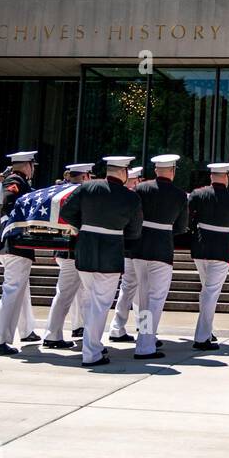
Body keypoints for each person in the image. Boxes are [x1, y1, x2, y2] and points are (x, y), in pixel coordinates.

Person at [57, 156, 143, 365]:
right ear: (123, 173)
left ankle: (92, 345)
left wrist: (85, 225)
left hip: (85, 250)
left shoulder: (87, 188)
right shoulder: (130, 197)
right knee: (100, 304)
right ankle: (91, 352)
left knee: (90, 301)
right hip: (110, 253)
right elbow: (134, 231)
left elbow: (66, 212)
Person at [128, 154, 189, 358]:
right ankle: (146, 344)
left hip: (139, 247)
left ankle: (145, 338)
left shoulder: (140, 189)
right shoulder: (180, 195)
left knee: (144, 298)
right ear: (172, 171)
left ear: (156, 170)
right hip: (162, 248)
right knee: (156, 298)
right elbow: (181, 227)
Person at [187, 162, 229, 351]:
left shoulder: (198, 194)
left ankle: (207, 330)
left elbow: (189, 219)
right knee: (210, 293)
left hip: (200, 247)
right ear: (226, 177)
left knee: (206, 290)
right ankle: (202, 337)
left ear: (211, 176)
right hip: (220, 249)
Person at [0, 151, 39, 355]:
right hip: (15, 244)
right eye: (32, 165)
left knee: (22, 289)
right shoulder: (15, 180)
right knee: (12, 291)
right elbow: (10, 200)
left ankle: (26, 330)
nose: (33, 168)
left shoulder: (18, 181)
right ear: (27, 165)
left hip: (13, 245)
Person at [43, 163, 94, 348]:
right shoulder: (81, 194)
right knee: (83, 295)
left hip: (64, 250)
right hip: (76, 250)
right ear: (85, 176)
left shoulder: (59, 192)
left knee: (65, 294)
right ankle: (61, 334)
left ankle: (56, 332)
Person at [108, 165, 146, 343]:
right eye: (135, 180)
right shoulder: (131, 196)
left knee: (129, 289)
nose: (137, 183)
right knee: (144, 291)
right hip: (139, 248)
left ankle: (118, 327)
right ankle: (145, 332)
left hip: (128, 249)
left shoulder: (123, 195)